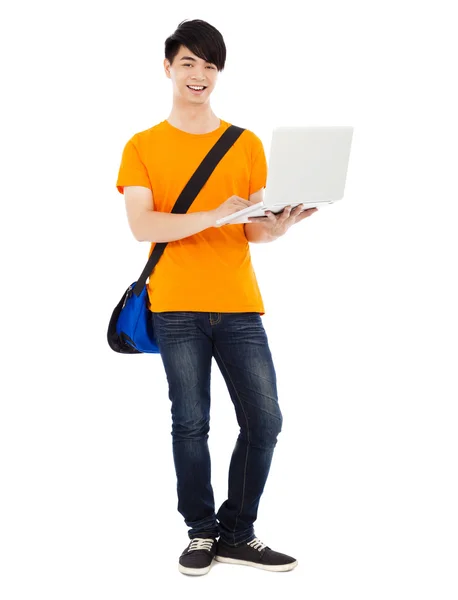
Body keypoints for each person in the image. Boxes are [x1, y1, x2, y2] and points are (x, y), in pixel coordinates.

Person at [115, 19, 317, 576]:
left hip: (238, 303)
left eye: (209, 65)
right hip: (175, 303)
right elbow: (141, 224)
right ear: (168, 68)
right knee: (191, 422)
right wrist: (211, 215)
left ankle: (238, 531)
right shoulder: (143, 146)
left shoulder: (245, 143)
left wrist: (280, 224)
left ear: (218, 72)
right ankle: (201, 533)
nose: (199, 75)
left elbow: (252, 228)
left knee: (265, 420)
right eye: (188, 63)